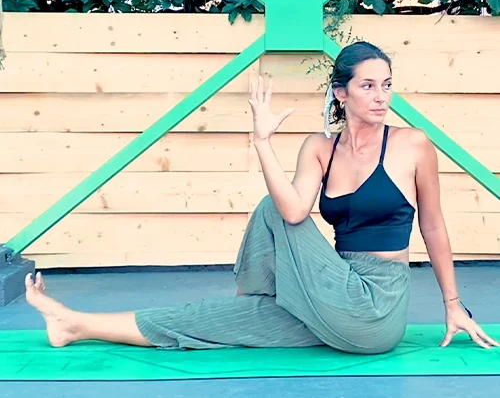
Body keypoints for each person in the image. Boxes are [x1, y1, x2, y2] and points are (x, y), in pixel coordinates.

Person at [25, 41, 498, 353]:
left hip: (377, 306)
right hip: (333, 290)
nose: (381, 97)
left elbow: (432, 224)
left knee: (272, 208)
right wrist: (263, 141)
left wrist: (453, 304)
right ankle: (75, 325)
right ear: (341, 93)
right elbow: (295, 210)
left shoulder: (412, 144)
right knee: (208, 320)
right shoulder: (319, 148)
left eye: (387, 85)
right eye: (368, 86)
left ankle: (254, 298)